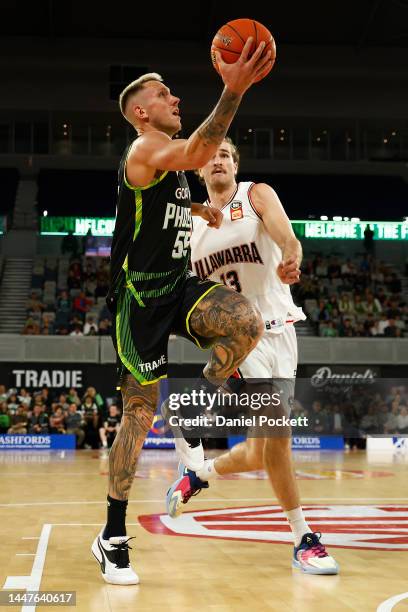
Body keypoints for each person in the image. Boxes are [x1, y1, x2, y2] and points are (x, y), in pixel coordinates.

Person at [92, 39, 272, 585]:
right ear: (141, 112)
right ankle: (112, 535)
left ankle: (191, 424)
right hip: (139, 300)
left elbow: (170, 186)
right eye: (163, 93)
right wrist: (233, 90)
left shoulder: (164, 164)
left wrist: (194, 206)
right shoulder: (144, 148)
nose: (174, 97)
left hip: (175, 285)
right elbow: (197, 152)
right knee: (138, 417)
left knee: (245, 324)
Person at [166, 138, 339, 575]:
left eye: (226, 153)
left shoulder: (256, 194)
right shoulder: (189, 227)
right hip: (239, 339)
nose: (218, 159)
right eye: (211, 156)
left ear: (235, 166)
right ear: (199, 172)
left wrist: (292, 259)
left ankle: (199, 475)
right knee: (278, 428)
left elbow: (288, 238)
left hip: (281, 329)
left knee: (262, 451)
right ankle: (303, 538)